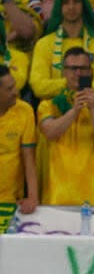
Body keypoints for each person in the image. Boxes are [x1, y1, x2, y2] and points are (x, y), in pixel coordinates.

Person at [37, 47, 94, 206]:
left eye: (83, 68)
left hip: (93, 196)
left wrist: (92, 108)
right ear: (64, 72)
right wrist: (75, 110)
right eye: (72, 68)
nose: (77, 73)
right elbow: (50, 133)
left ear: (91, 72)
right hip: (56, 195)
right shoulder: (48, 105)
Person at [29, 0, 94, 100]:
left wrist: (65, 85)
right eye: (65, 2)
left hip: (90, 109)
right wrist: (75, 83)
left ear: (84, 5)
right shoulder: (44, 44)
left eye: (76, 1)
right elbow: (38, 87)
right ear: (59, 6)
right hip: (54, 111)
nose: (71, 7)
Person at [0, 64, 36, 214]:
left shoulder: (25, 111)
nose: (16, 92)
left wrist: (33, 198)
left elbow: (29, 158)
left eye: (14, 86)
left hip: (12, 203)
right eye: (9, 89)